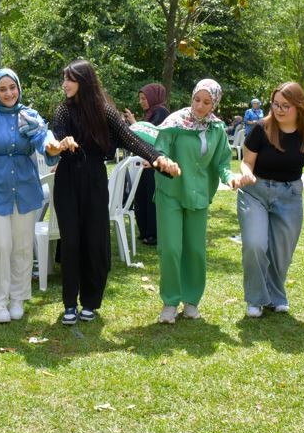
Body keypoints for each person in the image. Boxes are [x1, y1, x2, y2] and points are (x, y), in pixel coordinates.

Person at [51, 61, 180, 325]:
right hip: (67, 180)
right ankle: (68, 303)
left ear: (84, 82)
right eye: (64, 79)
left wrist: (157, 159)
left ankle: (90, 302)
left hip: (95, 179)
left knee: (95, 240)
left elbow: (131, 139)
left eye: (70, 79)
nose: (65, 84)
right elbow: (56, 136)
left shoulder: (104, 111)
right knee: (71, 241)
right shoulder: (63, 110)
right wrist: (61, 143)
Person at [0, 68, 71, 323]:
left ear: (18, 88)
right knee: (0, 246)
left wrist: (51, 146)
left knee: (21, 247)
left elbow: (43, 138)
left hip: (26, 189)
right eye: (3, 89)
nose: (8, 93)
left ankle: (18, 298)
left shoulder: (29, 115)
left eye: (12, 87)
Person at [233, 81, 304, 317]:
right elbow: (246, 161)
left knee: (281, 252)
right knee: (255, 244)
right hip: (256, 192)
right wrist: (247, 174)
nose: (279, 110)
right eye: (275, 105)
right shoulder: (261, 129)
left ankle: (275, 296)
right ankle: (255, 298)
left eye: (285, 106)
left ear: (299, 107)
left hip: (290, 195)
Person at [151, 80, 233, 323]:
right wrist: (165, 162)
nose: (199, 106)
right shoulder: (175, 123)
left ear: (214, 104)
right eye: (197, 99)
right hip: (171, 193)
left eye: (206, 102)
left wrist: (231, 178)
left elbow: (222, 162)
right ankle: (169, 302)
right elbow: (159, 150)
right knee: (171, 249)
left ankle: (191, 301)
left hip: (198, 196)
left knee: (195, 251)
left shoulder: (217, 129)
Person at [122, 82, 170, 246]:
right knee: (141, 196)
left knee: (150, 197)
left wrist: (134, 123)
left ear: (153, 97)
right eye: (140, 99)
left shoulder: (161, 112)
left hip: (153, 162)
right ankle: (145, 232)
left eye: (144, 98)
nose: (141, 102)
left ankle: (153, 234)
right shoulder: (150, 113)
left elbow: (152, 135)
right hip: (145, 161)